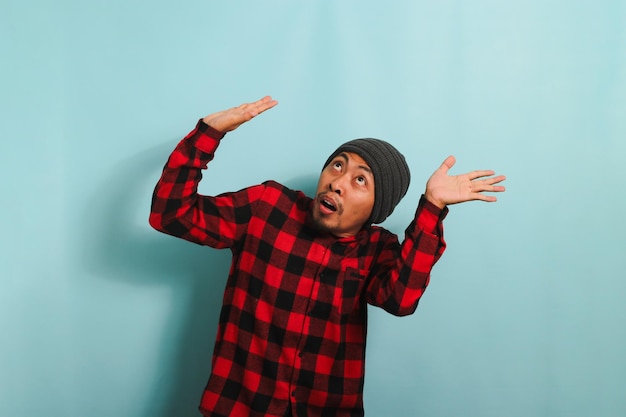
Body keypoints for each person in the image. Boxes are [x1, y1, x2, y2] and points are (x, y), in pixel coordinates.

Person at [149, 96, 506, 417]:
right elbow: (170, 214)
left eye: (360, 180)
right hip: (238, 407)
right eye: (337, 165)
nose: (338, 182)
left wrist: (431, 208)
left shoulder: (377, 249)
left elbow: (401, 299)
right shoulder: (266, 208)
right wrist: (207, 135)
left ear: (375, 210)